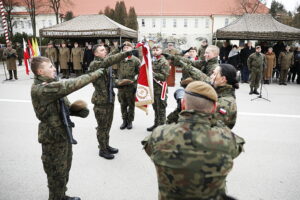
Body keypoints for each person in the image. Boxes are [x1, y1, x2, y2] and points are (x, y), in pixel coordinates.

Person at [142, 81, 245, 200]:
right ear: (214, 108)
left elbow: (149, 148)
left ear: (183, 104)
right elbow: (237, 148)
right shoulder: (226, 138)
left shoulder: (159, 135)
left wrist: (178, 113)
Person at [30, 56, 107, 200]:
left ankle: (61, 195)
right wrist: (94, 74)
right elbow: (70, 85)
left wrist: (75, 111)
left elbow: (62, 108)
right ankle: (56, 197)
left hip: (63, 134)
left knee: (64, 169)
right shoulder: (42, 89)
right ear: (40, 71)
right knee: (56, 174)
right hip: (52, 138)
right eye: (50, 67)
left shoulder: (52, 83)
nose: (54, 68)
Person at [89, 44, 136, 159]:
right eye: (102, 50)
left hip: (109, 99)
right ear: (95, 53)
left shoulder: (104, 62)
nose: (105, 51)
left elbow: (109, 58)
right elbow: (110, 59)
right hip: (101, 101)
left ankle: (106, 145)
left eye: (105, 49)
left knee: (108, 125)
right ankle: (102, 149)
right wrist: (125, 53)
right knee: (102, 127)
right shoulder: (96, 64)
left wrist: (119, 82)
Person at [168, 62, 239, 129]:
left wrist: (183, 108)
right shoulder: (219, 93)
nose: (211, 76)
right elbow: (202, 76)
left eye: (214, 74)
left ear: (223, 79)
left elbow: (201, 126)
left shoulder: (224, 103)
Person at [115, 41, 140, 130]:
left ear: (132, 49)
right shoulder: (119, 59)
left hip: (131, 86)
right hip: (121, 86)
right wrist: (117, 81)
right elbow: (114, 71)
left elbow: (140, 73)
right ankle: (124, 120)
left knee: (131, 104)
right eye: (124, 48)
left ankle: (130, 121)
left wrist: (134, 82)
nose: (126, 49)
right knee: (122, 104)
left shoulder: (136, 60)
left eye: (128, 48)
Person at [147, 44, 170, 132]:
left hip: (160, 89)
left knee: (161, 109)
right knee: (155, 108)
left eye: (157, 50)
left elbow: (164, 76)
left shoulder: (163, 62)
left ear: (161, 51)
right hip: (153, 89)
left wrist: (153, 74)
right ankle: (156, 124)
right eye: (153, 50)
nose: (155, 51)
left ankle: (161, 128)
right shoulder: (152, 60)